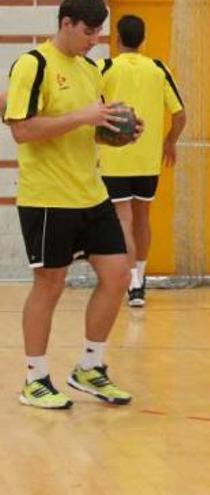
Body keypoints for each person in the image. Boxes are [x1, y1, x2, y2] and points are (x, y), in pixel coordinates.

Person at [5, 0, 141, 409]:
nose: (95, 40)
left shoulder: (90, 70)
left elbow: (88, 128)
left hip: (91, 193)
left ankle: (90, 367)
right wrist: (83, 117)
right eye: (88, 32)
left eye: (100, 33)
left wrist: (116, 132)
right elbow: (23, 129)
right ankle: (35, 378)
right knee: (50, 284)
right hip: (48, 196)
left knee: (118, 275)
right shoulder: (33, 65)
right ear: (66, 23)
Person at [98, 14, 186, 307]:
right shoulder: (158, 69)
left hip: (114, 158)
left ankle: (131, 281)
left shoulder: (105, 68)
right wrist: (169, 142)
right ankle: (141, 281)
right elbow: (180, 114)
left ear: (117, 39)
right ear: (144, 40)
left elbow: (90, 108)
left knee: (123, 218)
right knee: (142, 218)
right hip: (148, 159)